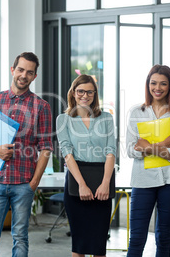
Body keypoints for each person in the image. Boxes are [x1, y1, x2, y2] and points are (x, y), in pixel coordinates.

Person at [0, 52, 53, 257]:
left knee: (21, 238)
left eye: (29, 72)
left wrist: (34, 183)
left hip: (23, 184)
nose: (23, 75)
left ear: (34, 76)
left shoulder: (42, 107)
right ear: (12, 70)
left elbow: (45, 147)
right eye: (20, 70)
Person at [126, 64, 170, 257]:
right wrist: (164, 145)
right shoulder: (136, 112)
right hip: (143, 181)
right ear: (148, 85)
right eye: (153, 83)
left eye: (163, 83)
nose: (158, 88)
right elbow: (130, 150)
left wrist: (147, 147)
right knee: (137, 238)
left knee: (163, 237)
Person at [56, 74, 116, 257]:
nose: (85, 95)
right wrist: (81, 184)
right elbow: (67, 154)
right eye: (81, 91)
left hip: (102, 179)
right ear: (73, 93)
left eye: (90, 92)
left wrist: (106, 182)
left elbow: (111, 150)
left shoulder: (106, 118)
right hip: (76, 181)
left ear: (95, 94)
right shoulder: (63, 119)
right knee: (79, 245)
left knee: (99, 246)